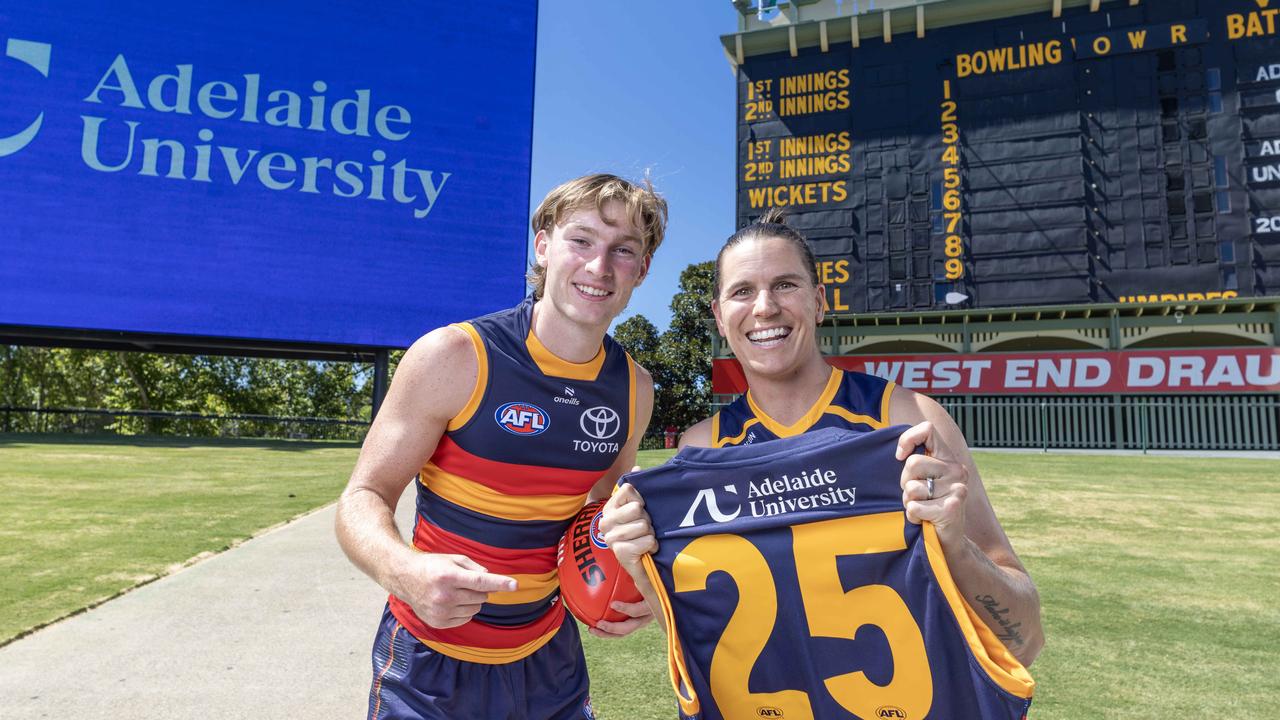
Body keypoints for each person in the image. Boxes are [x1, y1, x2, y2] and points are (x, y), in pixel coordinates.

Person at [600, 209, 1044, 711]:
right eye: (742, 291)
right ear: (720, 318)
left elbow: (1023, 640)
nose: (764, 307)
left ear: (818, 301)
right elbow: (705, 636)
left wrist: (954, 546)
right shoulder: (700, 450)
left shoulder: (907, 420)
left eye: (785, 285)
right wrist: (640, 565)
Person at [336, 173, 666, 720]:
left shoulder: (634, 389)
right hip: (428, 662)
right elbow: (363, 496)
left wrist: (637, 583)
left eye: (622, 251)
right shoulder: (453, 356)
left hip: (549, 661)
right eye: (581, 240)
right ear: (543, 244)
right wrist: (405, 573)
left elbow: (606, 516)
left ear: (642, 270)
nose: (599, 267)